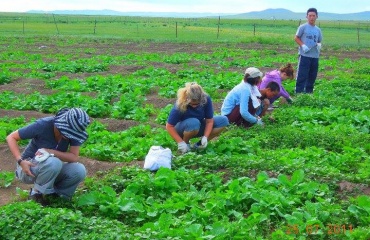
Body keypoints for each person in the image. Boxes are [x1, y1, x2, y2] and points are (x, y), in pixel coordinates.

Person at [6, 107, 90, 205]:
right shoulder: (43, 125)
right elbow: (11, 137)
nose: (68, 135)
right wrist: (21, 161)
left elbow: (74, 157)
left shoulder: (74, 132)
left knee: (79, 169)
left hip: (51, 169)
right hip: (28, 168)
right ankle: (36, 194)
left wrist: (50, 151)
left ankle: (59, 197)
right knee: (54, 162)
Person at [166, 82, 229, 154]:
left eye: (197, 104)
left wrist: (205, 137)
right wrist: (180, 142)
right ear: (187, 99)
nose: (194, 106)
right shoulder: (180, 103)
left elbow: (209, 121)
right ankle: (186, 144)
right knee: (194, 122)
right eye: (191, 104)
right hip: (181, 128)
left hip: (198, 125)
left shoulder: (206, 99)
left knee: (223, 120)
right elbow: (169, 126)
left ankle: (199, 145)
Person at [294, 7, 323, 94]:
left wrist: (318, 45)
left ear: (316, 17)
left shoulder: (318, 30)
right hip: (304, 55)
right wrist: (303, 45)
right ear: (307, 16)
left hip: (315, 56)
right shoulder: (303, 27)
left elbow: (319, 40)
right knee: (302, 75)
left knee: (312, 75)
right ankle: (298, 93)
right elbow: (296, 37)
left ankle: (309, 93)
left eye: (313, 16)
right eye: (310, 15)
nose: (312, 17)